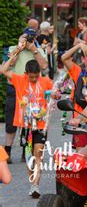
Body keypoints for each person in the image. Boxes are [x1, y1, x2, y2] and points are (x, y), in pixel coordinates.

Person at [1, 59, 53, 198]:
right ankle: (32, 182)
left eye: (37, 76)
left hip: (41, 125)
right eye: (31, 77)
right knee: (30, 157)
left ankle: (36, 185)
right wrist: (16, 52)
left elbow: (54, 94)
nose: (34, 79)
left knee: (38, 154)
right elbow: (3, 70)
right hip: (26, 126)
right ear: (26, 74)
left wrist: (55, 96)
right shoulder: (19, 80)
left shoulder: (45, 81)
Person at [4, 30, 48, 164]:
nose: (28, 40)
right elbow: (9, 64)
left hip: (33, 89)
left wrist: (33, 49)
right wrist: (20, 47)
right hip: (15, 86)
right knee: (11, 121)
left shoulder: (38, 50)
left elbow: (44, 66)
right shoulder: (13, 48)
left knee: (31, 120)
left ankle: (26, 151)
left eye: (31, 37)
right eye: (26, 37)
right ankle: (8, 151)